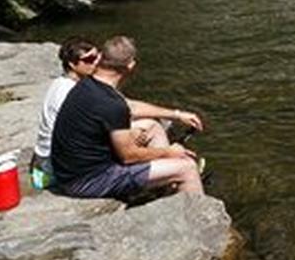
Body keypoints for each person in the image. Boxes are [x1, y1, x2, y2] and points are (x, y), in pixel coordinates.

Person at [51, 36, 205, 199]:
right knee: (187, 168)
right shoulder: (111, 104)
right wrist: (169, 151)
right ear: (130, 65)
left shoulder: (88, 83)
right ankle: (200, 218)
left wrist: (177, 115)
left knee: (152, 126)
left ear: (101, 58)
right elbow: (128, 156)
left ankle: (166, 186)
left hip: (72, 172)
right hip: (88, 181)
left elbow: (130, 107)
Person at [30, 38, 102, 190]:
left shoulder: (62, 83)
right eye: (89, 59)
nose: (96, 63)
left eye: (98, 57)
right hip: (55, 163)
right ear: (72, 64)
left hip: (48, 156)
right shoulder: (71, 92)